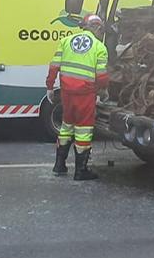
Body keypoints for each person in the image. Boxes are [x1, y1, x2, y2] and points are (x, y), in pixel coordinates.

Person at [45, 14, 109, 180]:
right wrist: (103, 92)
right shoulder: (99, 47)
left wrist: (50, 87)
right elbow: (101, 77)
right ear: (97, 28)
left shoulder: (66, 41)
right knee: (83, 130)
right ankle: (81, 171)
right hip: (85, 95)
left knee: (66, 126)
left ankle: (59, 165)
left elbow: (54, 67)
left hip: (66, 93)